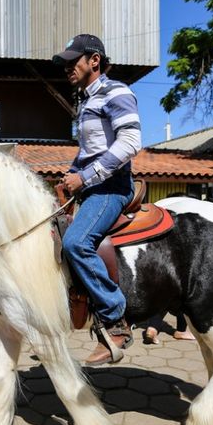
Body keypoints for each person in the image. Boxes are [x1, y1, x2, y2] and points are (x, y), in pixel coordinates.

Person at [53, 33, 142, 366]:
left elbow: (131, 142)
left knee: (76, 243)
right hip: (91, 187)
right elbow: (91, 151)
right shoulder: (86, 101)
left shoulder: (115, 91)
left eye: (71, 61)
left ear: (94, 60)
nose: (66, 68)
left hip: (111, 188)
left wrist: (85, 177)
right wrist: (71, 173)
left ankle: (115, 320)